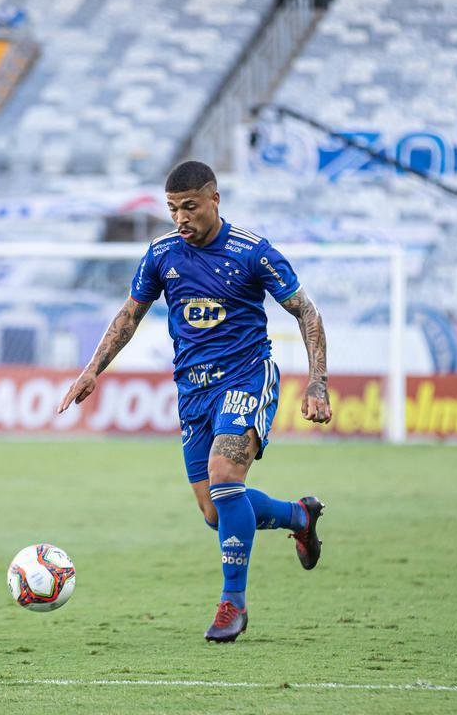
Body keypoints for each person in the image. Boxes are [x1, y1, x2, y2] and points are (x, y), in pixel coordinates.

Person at [58, 160, 332, 643]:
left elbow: (306, 311)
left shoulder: (254, 253)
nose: (180, 218)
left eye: (189, 207)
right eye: (172, 209)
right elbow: (130, 314)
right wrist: (91, 370)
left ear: (214, 200)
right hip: (193, 390)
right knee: (214, 512)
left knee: (227, 479)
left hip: (247, 377)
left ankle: (233, 604)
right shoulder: (162, 254)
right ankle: (298, 516)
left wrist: (318, 382)